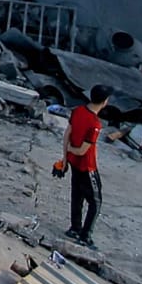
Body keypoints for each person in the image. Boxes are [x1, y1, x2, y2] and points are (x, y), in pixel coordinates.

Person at [59, 85, 104, 244]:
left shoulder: (78, 111)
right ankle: (85, 236)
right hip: (87, 166)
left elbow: (67, 134)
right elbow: (82, 150)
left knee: (77, 196)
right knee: (95, 202)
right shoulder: (95, 124)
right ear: (105, 102)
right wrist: (71, 150)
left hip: (74, 163)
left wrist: (65, 158)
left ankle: (75, 228)